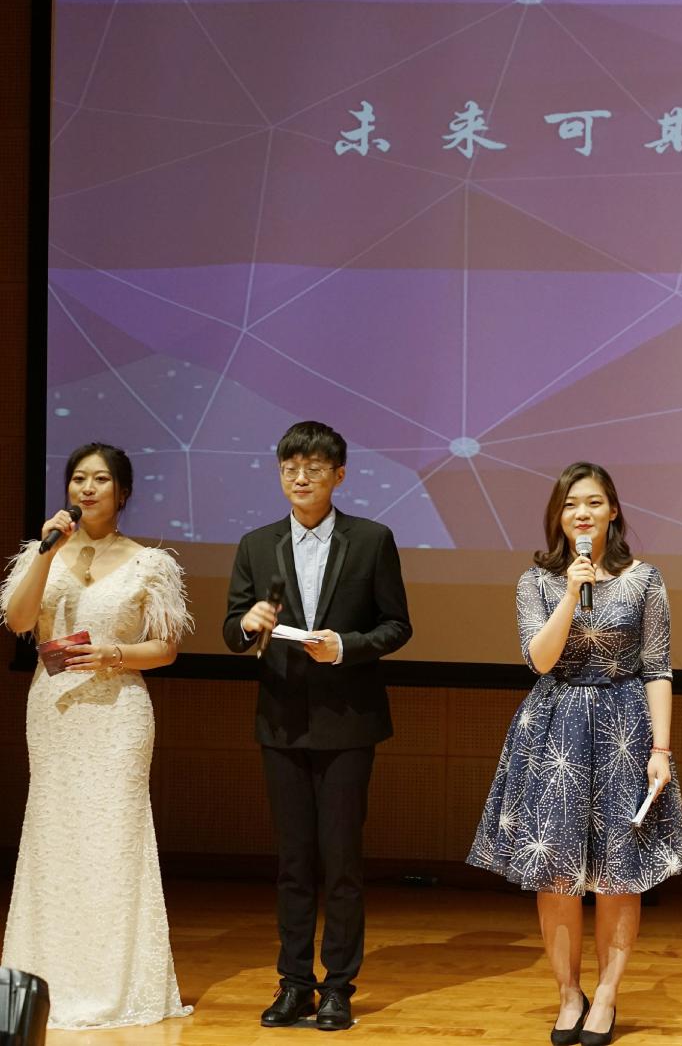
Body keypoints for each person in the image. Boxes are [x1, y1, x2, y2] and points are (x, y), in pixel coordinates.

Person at [468, 462, 682, 1046]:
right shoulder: (536, 581)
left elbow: (657, 666)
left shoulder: (645, 579)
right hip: (553, 731)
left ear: (613, 511)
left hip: (625, 731)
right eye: (571, 504)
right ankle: (569, 993)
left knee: (619, 874)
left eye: (593, 502)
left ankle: (607, 996)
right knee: (556, 874)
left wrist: (661, 749)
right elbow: (540, 659)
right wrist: (571, 592)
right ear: (559, 516)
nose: (582, 513)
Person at [221, 421, 412, 1031]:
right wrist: (247, 623)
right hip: (281, 723)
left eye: (313, 468)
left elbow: (397, 625)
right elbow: (232, 630)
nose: (300, 478)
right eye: (290, 468)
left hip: (348, 722)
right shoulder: (257, 544)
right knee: (293, 862)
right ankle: (294, 983)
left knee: (342, 860)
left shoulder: (371, 539)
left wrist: (345, 646)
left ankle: (338, 988)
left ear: (339, 475)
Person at [0, 442, 192, 1028]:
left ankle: (116, 982)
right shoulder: (45, 551)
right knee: (54, 836)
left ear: (123, 492)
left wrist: (114, 653)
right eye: (78, 478)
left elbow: (166, 649)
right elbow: (19, 621)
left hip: (118, 712)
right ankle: (48, 977)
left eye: (101, 479)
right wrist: (44, 552)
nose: (87, 488)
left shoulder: (149, 563)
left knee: (113, 837)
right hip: (54, 710)